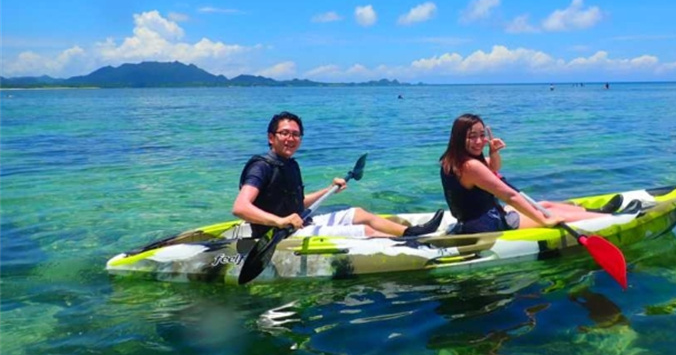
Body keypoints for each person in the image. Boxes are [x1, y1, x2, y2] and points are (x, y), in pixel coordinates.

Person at [233, 111, 443, 239]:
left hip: (300, 224)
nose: (290, 138)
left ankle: (411, 233)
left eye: (295, 134)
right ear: (271, 137)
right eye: (284, 133)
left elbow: (297, 204)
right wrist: (279, 222)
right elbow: (240, 207)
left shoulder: (290, 164)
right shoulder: (261, 167)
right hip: (277, 234)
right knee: (364, 230)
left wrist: (329, 190)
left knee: (359, 213)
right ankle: (410, 246)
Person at [439, 113, 610, 234]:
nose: (479, 141)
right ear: (459, 137)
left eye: (482, 135)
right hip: (487, 223)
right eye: (472, 136)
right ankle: (610, 219)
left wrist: (493, 152)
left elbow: (492, 169)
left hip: (475, 218)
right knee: (554, 215)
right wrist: (544, 221)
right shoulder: (470, 166)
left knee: (545, 204)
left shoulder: (452, 159)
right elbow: (510, 196)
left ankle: (599, 212)